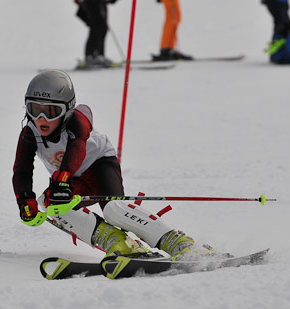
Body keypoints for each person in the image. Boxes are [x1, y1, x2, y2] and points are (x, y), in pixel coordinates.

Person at [13, 70, 210, 260]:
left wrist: (63, 179)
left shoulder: (78, 120)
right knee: (51, 204)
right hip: (71, 179)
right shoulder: (30, 134)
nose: (41, 119)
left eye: (51, 111)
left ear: (68, 109)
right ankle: (118, 243)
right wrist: (24, 201)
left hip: (100, 166)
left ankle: (178, 242)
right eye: (34, 110)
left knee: (114, 209)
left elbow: (77, 148)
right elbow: (21, 171)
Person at [75, 0, 118, 68]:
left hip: (96, 4)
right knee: (99, 28)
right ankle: (96, 56)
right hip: (93, 3)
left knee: (98, 29)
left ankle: (93, 56)